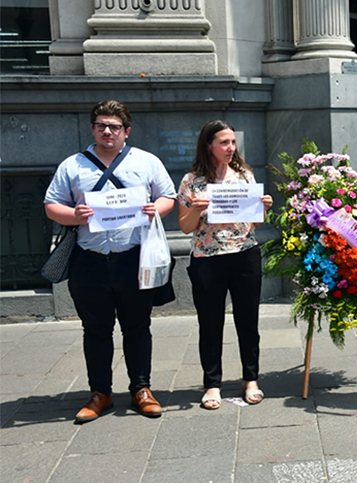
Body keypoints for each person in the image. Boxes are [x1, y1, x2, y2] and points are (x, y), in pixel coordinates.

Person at [44, 100, 176, 423]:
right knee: (96, 329)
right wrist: (74, 215)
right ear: (92, 129)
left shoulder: (146, 162)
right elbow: (51, 205)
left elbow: (168, 196)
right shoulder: (73, 166)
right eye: (101, 125)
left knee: (137, 327)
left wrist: (154, 209)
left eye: (114, 126)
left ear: (126, 131)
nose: (107, 131)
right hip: (88, 261)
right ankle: (99, 392)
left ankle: (141, 389)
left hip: (133, 259)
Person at [177, 120, 273, 410]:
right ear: (209, 145)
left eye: (232, 142)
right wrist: (195, 209)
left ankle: (251, 378)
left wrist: (263, 208)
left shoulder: (245, 176)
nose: (230, 148)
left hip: (244, 254)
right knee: (210, 322)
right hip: (207, 258)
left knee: (248, 320)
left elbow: (255, 222)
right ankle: (212, 384)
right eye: (224, 142)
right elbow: (184, 227)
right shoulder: (191, 181)